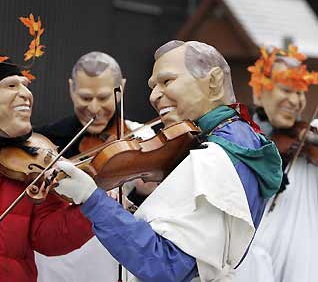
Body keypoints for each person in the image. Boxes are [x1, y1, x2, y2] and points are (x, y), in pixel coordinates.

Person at [50, 40, 283, 282]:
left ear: (213, 82)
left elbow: (166, 266)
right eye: (153, 86)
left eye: (167, 81)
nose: (154, 96)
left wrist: (92, 198)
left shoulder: (213, 160)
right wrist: (129, 213)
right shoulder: (241, 142)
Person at [0, 57, 93, 282]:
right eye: (11, 85)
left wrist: (93, 207)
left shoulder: (31, 167)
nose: (26, 93)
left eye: (26, 85)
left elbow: (47, 240)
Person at [35, 51, 155, 282]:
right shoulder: (46, 140)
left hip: (110, 267)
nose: (94, 108)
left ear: (121, 88)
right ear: (71, 88)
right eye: (86, 97)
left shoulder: (142, 136)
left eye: (103, 98)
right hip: (57, 268)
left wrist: (143, 192)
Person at [233, 45, 318, 282]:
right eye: (286, 90)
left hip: (301, 258)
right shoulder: (240, 137)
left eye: (300, 92)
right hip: (249, 257)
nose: (295, 100)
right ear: (259, 93)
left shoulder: (309, 139)